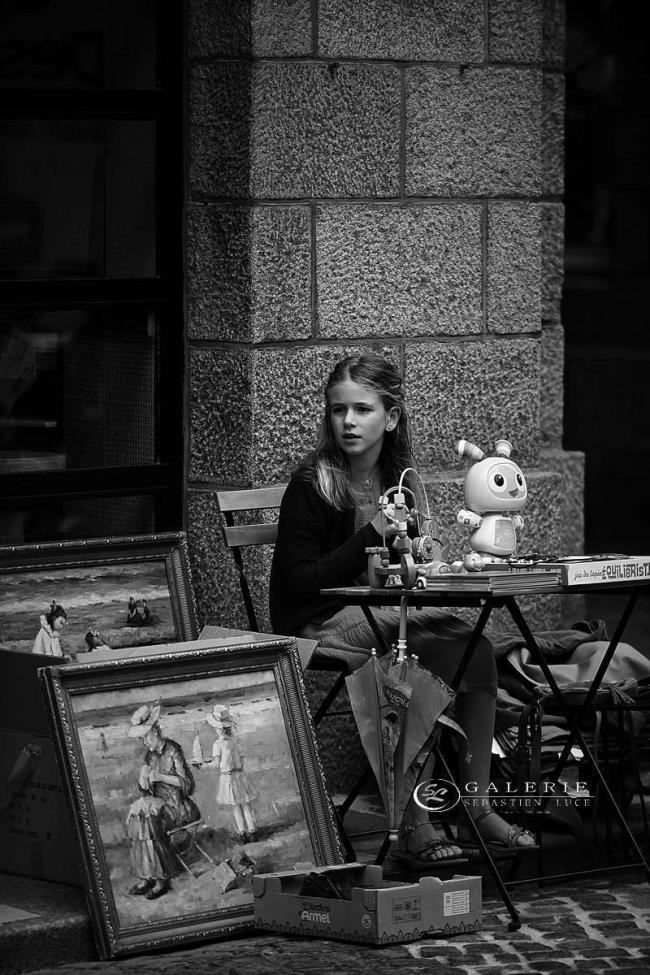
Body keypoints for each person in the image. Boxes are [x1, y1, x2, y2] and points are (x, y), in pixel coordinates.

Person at [269, 352, 535, 864]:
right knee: (418, 654)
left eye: (363, 410)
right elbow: (299, 582)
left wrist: (427, 558)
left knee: (473, 646)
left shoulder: (402, 480)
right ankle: (416, 820)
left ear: (390, 418)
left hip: (385, 614)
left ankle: (477, 806)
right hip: (318, 621)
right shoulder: (313, 485)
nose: (348, 421)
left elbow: (410, 564)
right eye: (338, 410)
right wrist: (370, 536)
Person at [125, 703, 201, 899]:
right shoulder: (150, 755)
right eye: (142, 738)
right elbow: (146, 789)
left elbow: (187, 785)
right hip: (159, 804)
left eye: (145, 737)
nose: (144, 742)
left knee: (151, 823)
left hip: (179, 806)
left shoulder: (173, 749)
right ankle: (146, 875)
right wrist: (143, 781)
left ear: (156, 731)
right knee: (137, 819)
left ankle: (161, 879)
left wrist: (161, 777)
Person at [204, 706, 257, 844]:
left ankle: (242, 834)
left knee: (235, 806)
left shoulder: (218, 744)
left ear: (218, 728)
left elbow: (215, 764)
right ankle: (252, 832)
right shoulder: (235, 741)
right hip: (240, 775)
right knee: (245, 804)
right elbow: (242, 758)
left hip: (228, 778)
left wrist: (203, 766)